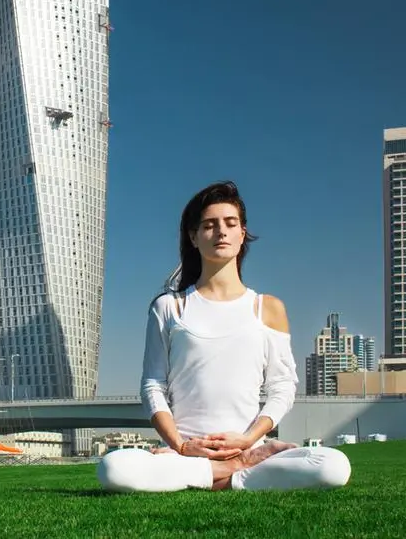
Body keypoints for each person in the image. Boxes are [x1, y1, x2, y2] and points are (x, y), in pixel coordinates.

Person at [98, 181, 351, 492]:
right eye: (209, 225)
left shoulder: (267, 308)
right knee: (113, 468)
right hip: (189, 451)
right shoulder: (170, 307)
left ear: (242, 234)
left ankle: (224, 471)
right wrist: (179, 445)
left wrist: (247, 440)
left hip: (252, 448)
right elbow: (153, 385)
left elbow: (282, 386)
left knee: (334, 466)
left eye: (230, 224)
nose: (221, 231)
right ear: (193, 236)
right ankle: (230, 471)